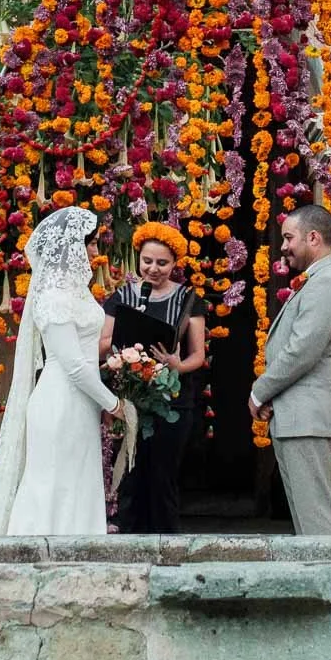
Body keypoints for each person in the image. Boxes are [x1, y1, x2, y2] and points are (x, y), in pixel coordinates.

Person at [0, 207, 124, 536]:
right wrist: (113, 403)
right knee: (54, 483)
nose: (96, 252)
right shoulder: (54, 298)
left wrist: (116, 368)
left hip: (81, 402)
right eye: (92, 243)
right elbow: (71, 363)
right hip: (60, 401)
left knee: (77, 483)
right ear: (73, 245)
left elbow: (84, 355)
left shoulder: (77, 292)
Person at [248, 204, 331, 536]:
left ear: (314, 237)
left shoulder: (326, 284)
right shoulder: (319, 281)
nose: (283, 246)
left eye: (289, 238)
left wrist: (259, 391)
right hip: (295, 417)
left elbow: (302, 351)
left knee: (317, 521)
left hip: (305, 419)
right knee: (308, 524)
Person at [99, 222, 206, 534]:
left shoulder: (188, 299)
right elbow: (102, 345)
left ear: (174, 264)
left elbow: (197, 355)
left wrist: (175, 364)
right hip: (130, 401)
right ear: (138, 259)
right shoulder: (121, 296)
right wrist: (126, 345)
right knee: (130, 478)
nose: (154, 269)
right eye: (148, 261)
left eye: (162, 263)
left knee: (163, 479)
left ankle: (166, 548)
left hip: (172, 402)